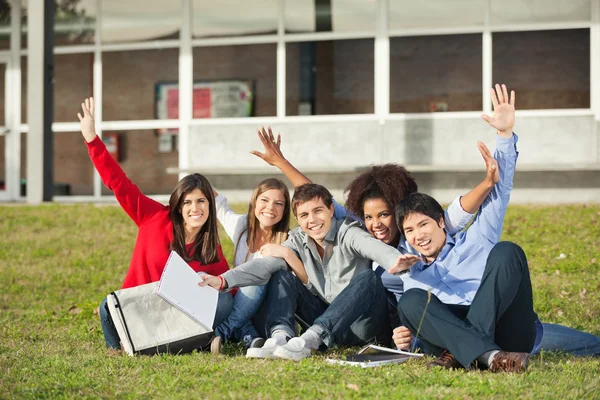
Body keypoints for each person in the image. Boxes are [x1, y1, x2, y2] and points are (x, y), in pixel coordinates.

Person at [395, 84, 539, 372]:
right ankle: (492, 358)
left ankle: (470, 351)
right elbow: (423, 321)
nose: (418, 235)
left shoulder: (476, 238)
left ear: (440, 221)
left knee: (508, 251)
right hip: (452, 334)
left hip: (506, 328)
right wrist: (405, 338)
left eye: (423, 224)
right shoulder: (410, 271)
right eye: (409, 231)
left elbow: (500, 190)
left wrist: (504, 135)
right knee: (410, 300)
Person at [77, 98, 233, 352]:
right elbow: (119, 183)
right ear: (179, 205)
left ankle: (171, 344)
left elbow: (227, 285)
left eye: (202, 201)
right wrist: (92, 139)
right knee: (107, 305)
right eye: (189, 202)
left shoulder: (209, 245)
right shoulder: (153, 216)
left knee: (224, 301)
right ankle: (123, 348)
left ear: (210, 205)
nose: (196, 208)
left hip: (176, 318)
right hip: (138, 308)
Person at [200, 183, 420, 361]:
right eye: (304, 215)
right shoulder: (297, 239)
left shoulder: (348, 232)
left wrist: (394, 260)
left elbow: (373, 247)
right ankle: (281, 337)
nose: (312, 220)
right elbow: (265, 264)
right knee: (281, 274)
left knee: (369, 279)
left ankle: (309, 340)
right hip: (322, 318)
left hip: (361, 326)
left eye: (318, 211)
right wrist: (223, 280)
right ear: (297, 218)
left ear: (331, 209)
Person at [213, 176, 307, 348]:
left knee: (256, 278)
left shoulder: (288, 240)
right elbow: (219, 205)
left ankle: (222, 332)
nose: (270, 207)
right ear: (254, 202)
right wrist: (196, 180)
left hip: (268, 313)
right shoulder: (241, 227)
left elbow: (305, 281)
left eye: (278, 203)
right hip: (241, 306)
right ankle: (248, 335)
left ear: (285, 210)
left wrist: (286, 254)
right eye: (264, 200)